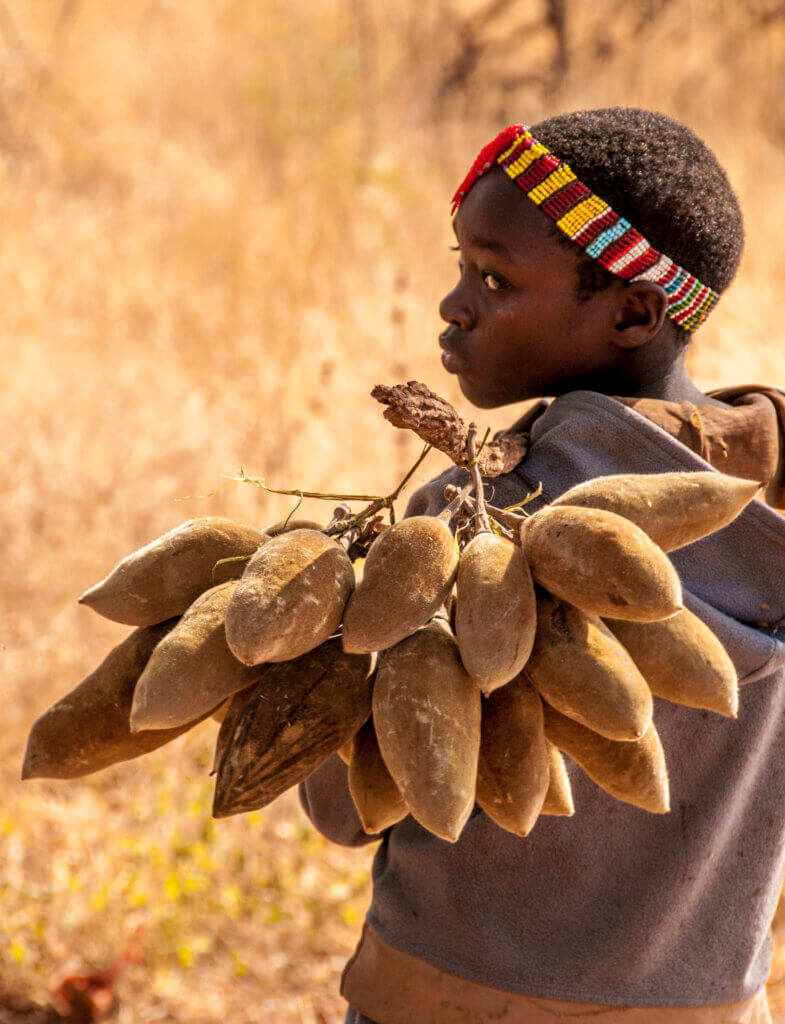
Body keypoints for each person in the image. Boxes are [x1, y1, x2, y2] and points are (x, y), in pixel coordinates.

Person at [299, 107, 785, 1024]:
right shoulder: (771, 488)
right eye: (459, 267)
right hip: (701, 1003)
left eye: (492, 278)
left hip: (446, 992)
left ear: (631, 312)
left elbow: (346, 804)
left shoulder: (472, 521)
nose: (453, 305)